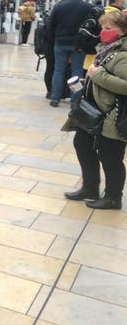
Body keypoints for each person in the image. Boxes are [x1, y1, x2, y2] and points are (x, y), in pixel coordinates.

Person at [65, 12, 127, 209]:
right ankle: (90, 187)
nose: (103, 33)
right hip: (94, 112)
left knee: (110, 156)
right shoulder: (107, 50)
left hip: (113, 116)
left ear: (123, 31)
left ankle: (113, 197)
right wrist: (86, 82)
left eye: (109, 29)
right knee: (82, 144)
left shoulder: (124, 55)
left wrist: (97, 75)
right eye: (102, 28)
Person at [46, 0, 92, 107]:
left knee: (58, 70)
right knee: (77, 72)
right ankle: (74, 100)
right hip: (79, 44)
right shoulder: (88, 7)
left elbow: (50, 25)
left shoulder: (59, 6)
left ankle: (55, 98)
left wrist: (53, 39)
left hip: (60, 42)